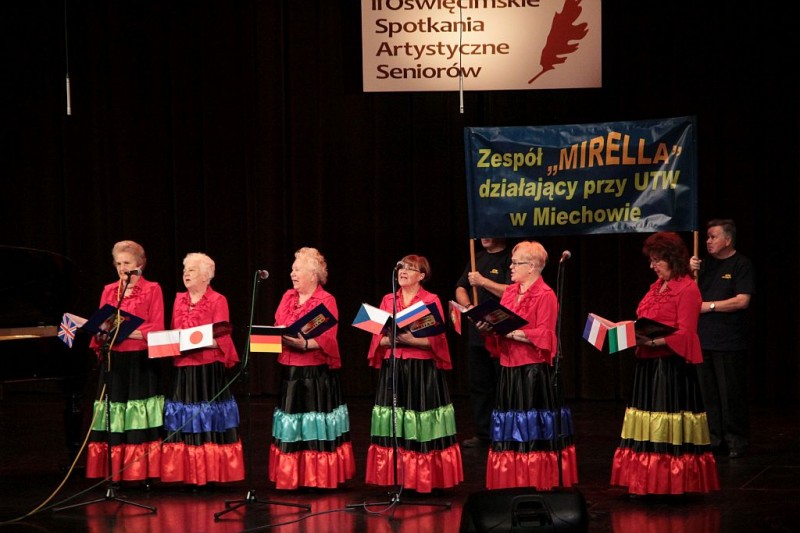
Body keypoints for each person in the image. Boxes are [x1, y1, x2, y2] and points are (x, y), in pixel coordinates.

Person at [610, 232, 719, 495]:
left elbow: (687, 334)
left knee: (665, 425)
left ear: (672, 259)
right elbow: (643, 321)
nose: (652, 266)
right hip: (648, 365)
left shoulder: (687, 288)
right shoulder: (656, 287)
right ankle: (645, 481)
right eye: (651, 260)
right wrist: (622, 328)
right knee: (646, 423)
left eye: (657, 260)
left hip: (670, 368)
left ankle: (669, 483)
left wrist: (654, 341)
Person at [476, 241, 578, 490]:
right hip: (508, 367)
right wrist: (489, 328)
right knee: (510, 424)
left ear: (532, 266)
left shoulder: (545, 295)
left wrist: (509, 332)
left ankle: (535, 479)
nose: (510, 267)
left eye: (515, 263)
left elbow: (545, 335)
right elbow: (501, 324)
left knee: (530, 426)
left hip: (533, 371)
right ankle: (511, 479)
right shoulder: (510, 292)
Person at [365, 254, 463, 493]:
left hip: (421, 369)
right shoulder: (389, 299)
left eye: (410, 268)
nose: (403, 271)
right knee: (394, 422)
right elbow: (378, 337)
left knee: (421, 422)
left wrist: (410, 340)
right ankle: (397, 478)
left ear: (421, 276)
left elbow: (437, 341)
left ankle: (424, 479)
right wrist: (391, 339)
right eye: (401, 267)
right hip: (394, 365)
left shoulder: (430, 300)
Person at [269, 247, 355, 490]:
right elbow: (277, 325)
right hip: (290, 371)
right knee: (291, 425)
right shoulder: (287, 297)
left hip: (315, 373)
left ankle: (318, 478)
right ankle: (292, 477)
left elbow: (329, 337)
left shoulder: (326, 300)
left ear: (313, 275)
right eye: (292, 269)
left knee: (314, 424)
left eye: (297, 270)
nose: (292, 274)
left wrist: (306, 344)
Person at [160, 253, 245, 488]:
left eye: (192, 270)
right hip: (183, 368)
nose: (186, 273)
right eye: (185, 269)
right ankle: (187, 475)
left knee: (208, 418)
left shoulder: (218, 300)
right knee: (184, 418)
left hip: (208, 369)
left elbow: (221, 337)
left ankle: (210, 474)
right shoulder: (179, 300)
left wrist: (192, 340)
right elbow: (175, 334)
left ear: (206, 276)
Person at [86, 240, 165, 487]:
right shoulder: (109, 290)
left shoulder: (153, 289)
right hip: (115, 359)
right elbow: (102, 326)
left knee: (137, 414)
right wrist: (107, 331)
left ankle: (140, 473)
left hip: (140, 361)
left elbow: (156, 328)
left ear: (139, 264)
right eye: (118, 263)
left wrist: (122, 330)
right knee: (114, 413)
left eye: (127, 263)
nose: (122, 268)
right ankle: (114, 473)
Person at [690, 219, 754, 459]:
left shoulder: (741, 264)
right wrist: (689, 270)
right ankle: (714, 440)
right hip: (703, 340)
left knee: (730, 395)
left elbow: (742, 301)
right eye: (707, 237)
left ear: (728, 240)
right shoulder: (703, 266)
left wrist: (709, 306)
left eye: (713, 237)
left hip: (728, 341)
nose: (708, 241)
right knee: (708, 395)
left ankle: (736, 440)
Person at [454, 238, 510, 448]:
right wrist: (469, 307)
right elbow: (460, 287)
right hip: (478, 332)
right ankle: (484, 433)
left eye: (488, 232)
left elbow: (511, 292)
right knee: (479, 385)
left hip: (502, 333)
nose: (483, 237)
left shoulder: (510, 258)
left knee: (503, 385)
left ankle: (505, 433)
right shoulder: (476, 258)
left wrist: (483, 281)